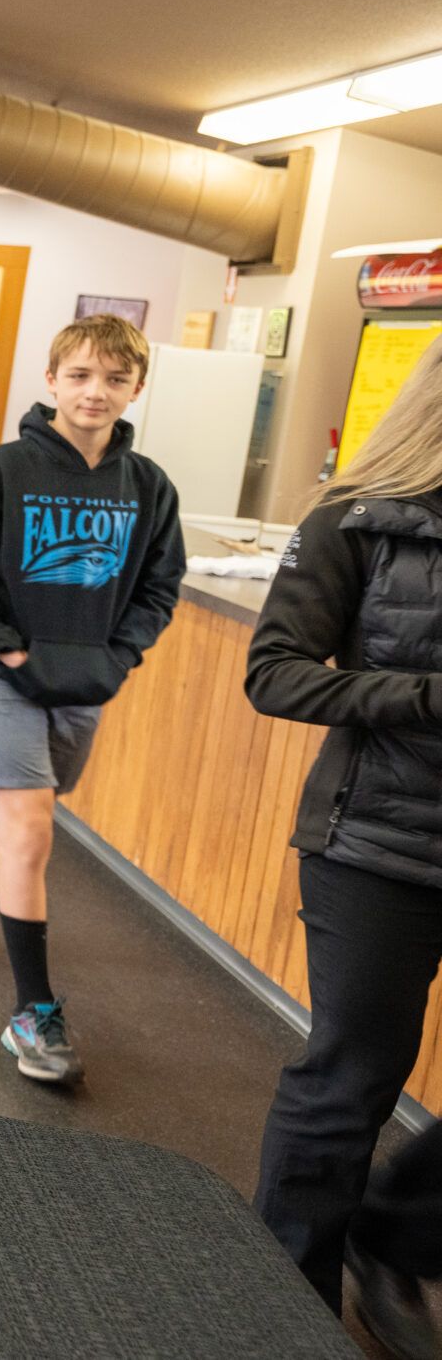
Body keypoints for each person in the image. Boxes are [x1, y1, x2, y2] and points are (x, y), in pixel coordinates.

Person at [0, 313, 183, 1086]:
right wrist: (8, 648)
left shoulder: (147, 486)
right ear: (52, 380)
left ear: (135, 388)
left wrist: (119, 655)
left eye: (115, 379)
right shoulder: (1, 470)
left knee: (25, 817)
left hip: (85, 679)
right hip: (4, 676)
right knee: (31, 828)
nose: (96, 392)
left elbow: (160, 585)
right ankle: (33, 1012)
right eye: (81, 376)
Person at [246, 338, 442, 1344]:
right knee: (352, 1079)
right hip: (376, 841)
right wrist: (422, 698)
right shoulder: (355, 522)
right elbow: (273, 673)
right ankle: (283, 1301)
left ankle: (397, 1238)